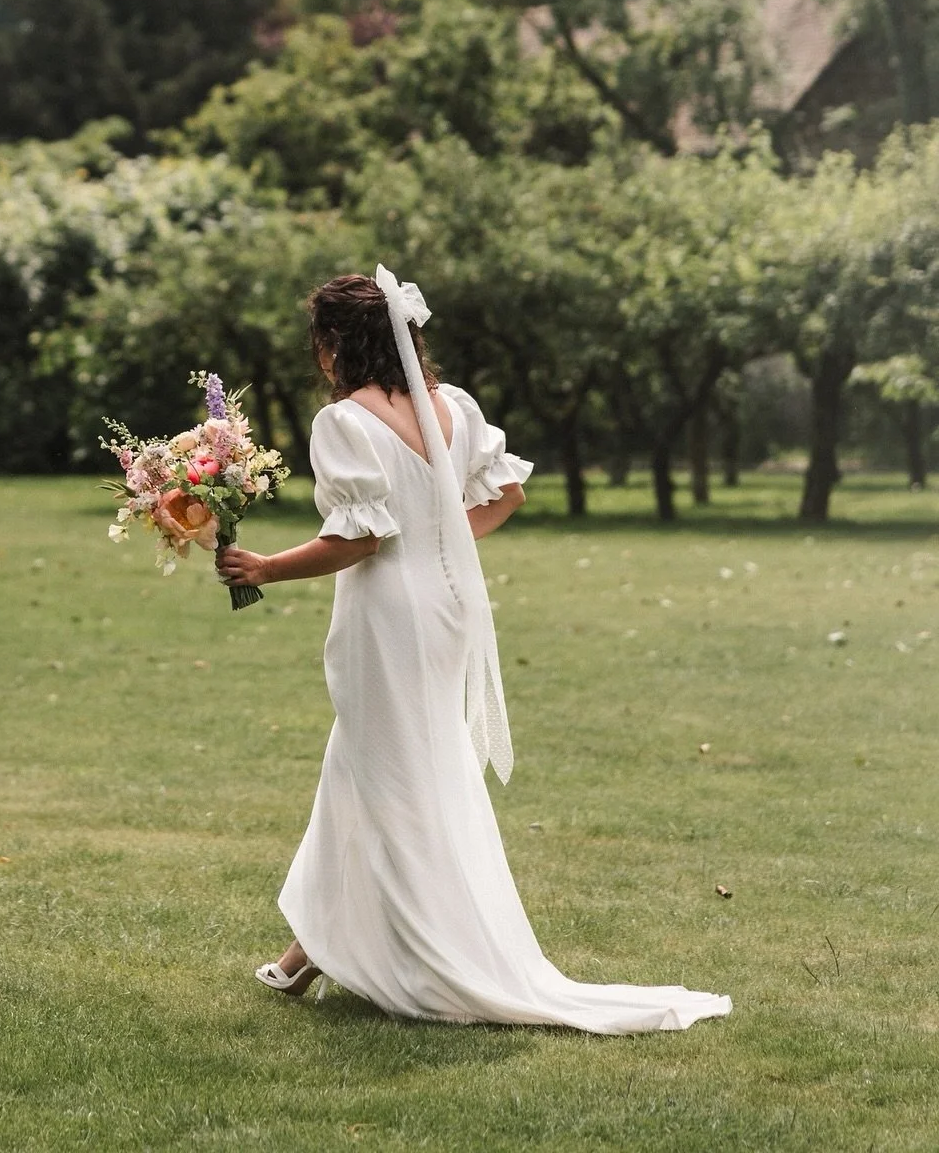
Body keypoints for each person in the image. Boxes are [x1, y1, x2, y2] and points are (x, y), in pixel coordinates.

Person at [214, 267, 731, 1033]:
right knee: (381, 766)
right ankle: (304, 955)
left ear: (334, 346)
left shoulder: (343, 423)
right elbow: (505, 495)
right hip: (452, 601)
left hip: (389, 611)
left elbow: (358, 539)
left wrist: (263, 568)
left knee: (386, 772)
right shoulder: (452, 407)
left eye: (318, 343)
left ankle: (411, 952)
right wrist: (445, 541)